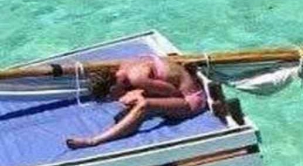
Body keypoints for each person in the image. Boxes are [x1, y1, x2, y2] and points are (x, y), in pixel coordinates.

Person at [66, 56, 209, 149]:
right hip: (180, 95)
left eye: (112, 98)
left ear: (112, 88)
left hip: (192, 101)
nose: (116, 100)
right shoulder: (125, 65)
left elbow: (174, 93)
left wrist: (140, 96)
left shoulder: (137, 78)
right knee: (132, 109)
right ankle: (132, 120)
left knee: (145, 105)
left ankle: (94, 140)